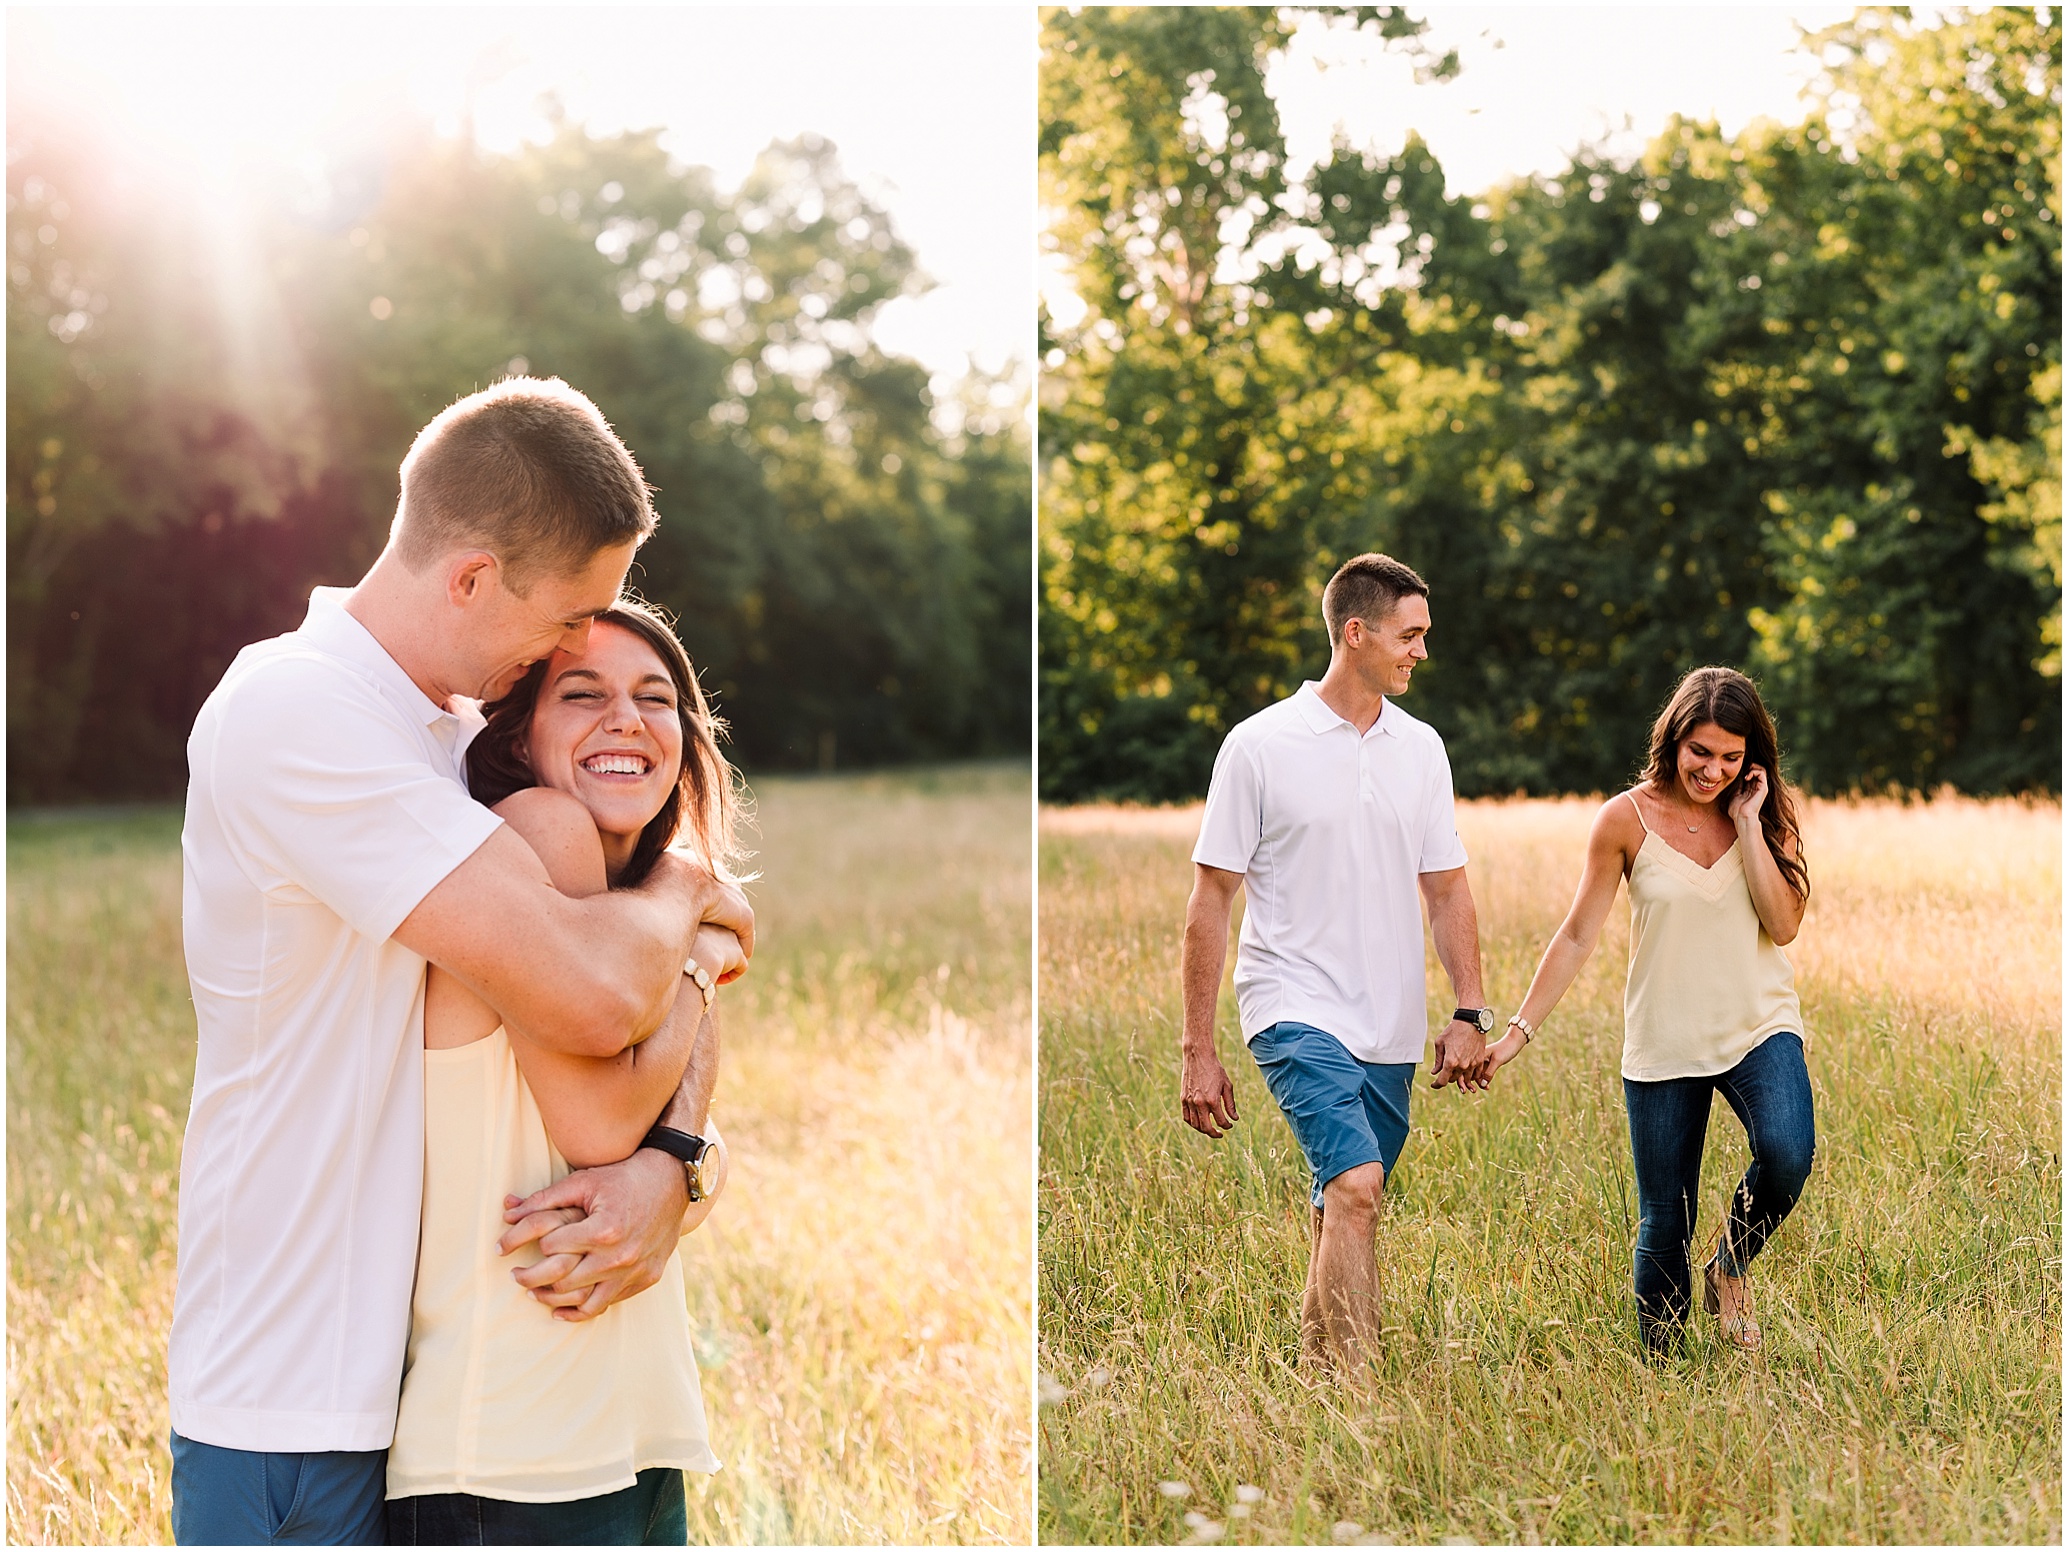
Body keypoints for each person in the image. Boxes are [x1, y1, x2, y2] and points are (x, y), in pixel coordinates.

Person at [170, 378, 751, 1544]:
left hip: (413, 1379)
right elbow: (595, 996)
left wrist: (681, 1160)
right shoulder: (300, 712)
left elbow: (586, 1039)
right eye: (571, 617)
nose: (580, 643)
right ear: (474, 576)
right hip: (293, 1390)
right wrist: (692, 887)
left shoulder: (431, 741)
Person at [386, 599, 743, 1544]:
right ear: (519, 739)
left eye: (656, 698)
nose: (626, 719)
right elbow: (598, 1130)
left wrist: (680, 1166)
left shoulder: (641, 925)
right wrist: (701, 946)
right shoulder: (537, 832)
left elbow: (677, 1148)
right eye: (583, 694)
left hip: (624, 1436)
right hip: (510, 1457)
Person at [1180, 552, 1495, 1372]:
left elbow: (1448, 892)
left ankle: (1314, 1379)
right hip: (1291, 1005)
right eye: (1410, 635)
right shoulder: (1258, 746)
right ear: (1356, 633)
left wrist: (1470, 1011)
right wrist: (1197, 1049)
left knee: (1339, 1209)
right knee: (1357, 1186)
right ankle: (1358, 1401)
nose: (1421, 652)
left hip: (1387, 1023)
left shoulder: (1421, 750)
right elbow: (1212, 898)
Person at [1483, 665, 1814, 1356]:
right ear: (1675, 738)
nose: (1715, 770)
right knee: (1667, 1218)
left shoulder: (1765, 811)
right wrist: (1516, 1032)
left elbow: (1782, 926)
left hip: (1759, 1024)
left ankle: (1729, 1266)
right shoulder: (1623, 820)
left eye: (1732, 756)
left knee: (1786, 1153)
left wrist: (1749, 823)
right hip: (1666, 1034)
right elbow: (1577, 935)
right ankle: (1661, 1375)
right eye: (1702, 752)